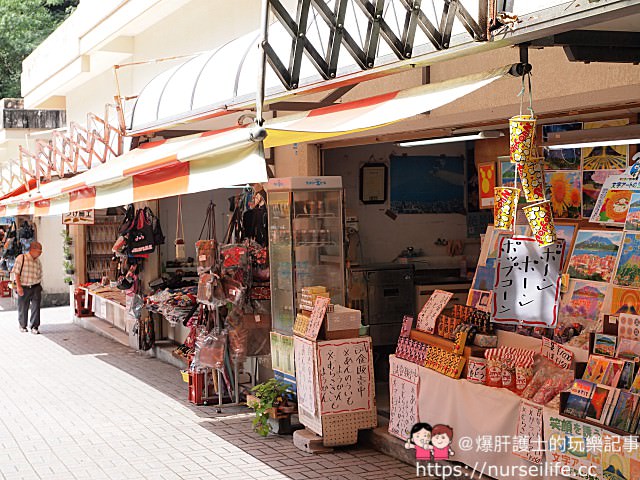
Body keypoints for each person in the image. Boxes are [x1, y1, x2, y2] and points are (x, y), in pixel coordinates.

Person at [12, 241, 43, 334]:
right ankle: (22, 325)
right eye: (39, 251)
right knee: (23, 306)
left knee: (36, 307)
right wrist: (19, 287)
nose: (40, 253)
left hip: (36, 286)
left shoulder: (38, 261)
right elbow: (16, 273)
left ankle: (34, 326)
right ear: (32, 250)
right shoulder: (21, 258)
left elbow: (40, 274)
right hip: (24, 286)